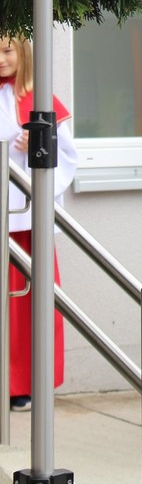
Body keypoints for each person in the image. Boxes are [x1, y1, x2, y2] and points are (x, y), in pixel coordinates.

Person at [1, 34, 78, 412]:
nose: (1, 59)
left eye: (7, 50)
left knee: (29, 308)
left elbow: (66, 156)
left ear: (23, 51)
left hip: (25, 223)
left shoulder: (40, 99)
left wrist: (33, 146)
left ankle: (26, 382)